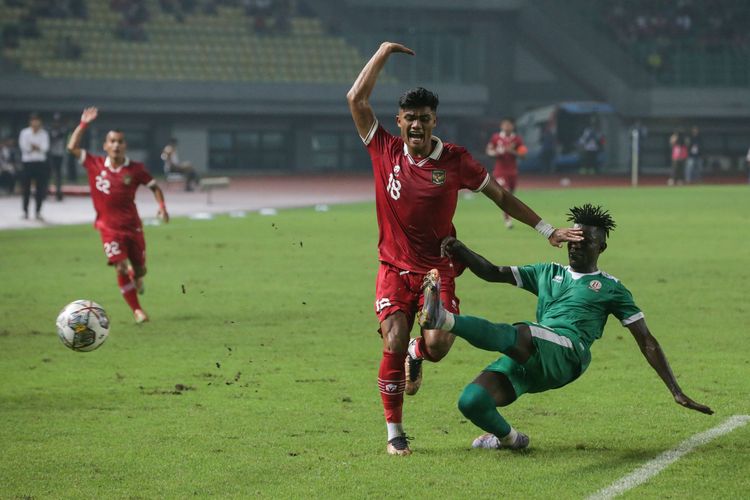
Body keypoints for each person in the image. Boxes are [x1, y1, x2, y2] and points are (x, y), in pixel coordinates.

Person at [346, 41, 583, 456]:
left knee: (436, 347)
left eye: (424, 119)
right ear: (398, 120)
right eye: (410, 119)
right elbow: (356, 98)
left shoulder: (456, 161)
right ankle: (395, 432)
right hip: (392, 266)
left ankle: (419, 353)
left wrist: (546, 229)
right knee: (394, 338)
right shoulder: (382, 148)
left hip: (439, 270)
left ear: (434, 120)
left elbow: (501, 197)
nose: (416, 126)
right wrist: (383, 52)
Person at [418, 204, 713, 450]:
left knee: (521, 332)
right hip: (535, 355)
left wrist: (675, 389)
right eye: (572, 239)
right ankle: (511, 439)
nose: (576, 246)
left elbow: (646, 340)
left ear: (602, 246)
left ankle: (442, 319)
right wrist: (461, 250)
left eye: (585, 242)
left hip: (569, 353)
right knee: (471, 401)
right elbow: (494, 273)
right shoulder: (547, 271)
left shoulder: (611, 288)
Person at [67, 107, 169, 324]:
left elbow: (154, 186)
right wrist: (83, 124)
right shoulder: (94, 163)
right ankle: (138, 311)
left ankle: (136, 276)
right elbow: (72, 147)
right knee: (120, 266)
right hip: (108, 228)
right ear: (105, 146)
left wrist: (161, 206)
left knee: (140, 269)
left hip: (133, 227)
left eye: (120, 141)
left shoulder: (136, 169)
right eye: (112, 141)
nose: (116, 145)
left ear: (125, 145)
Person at [485, 117, 528, 229]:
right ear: (501, 126)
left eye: (508, 125)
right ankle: (507, 219)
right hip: (500, 171)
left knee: (511, 197)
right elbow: (489, 151)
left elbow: (523, 155)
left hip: (513, 172)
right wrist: (497, 152)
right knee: (506, 194)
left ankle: (507, 214)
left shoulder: (517, 139)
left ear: (512, 126)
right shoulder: (496, 138)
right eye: (504, 125)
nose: (506, 127)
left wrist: (512, 151)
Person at [18, 112, 51, 220]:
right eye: (33, 120)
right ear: (30, 122)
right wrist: (37, 147)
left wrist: (34, 146)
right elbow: (24, 148)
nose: (35, 122)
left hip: (40, 163)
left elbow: (45, 148)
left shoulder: (44, 134)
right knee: (26, 188)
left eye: (37, 120)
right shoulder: (25, 133)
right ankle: (25, 211)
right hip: (28, 163)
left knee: (40, 188)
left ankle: (38, 211)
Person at [48, 112, 67, 201]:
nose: (56, 123)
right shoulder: (50, 130)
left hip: (59, 154)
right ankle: (46, 191)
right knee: (49, 173)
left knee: (58, 174)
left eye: (58, 122)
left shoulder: (62, 130)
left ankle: (58, 192)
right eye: (55, 121)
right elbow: (51, 138)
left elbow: (61, 136)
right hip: (51, 154)